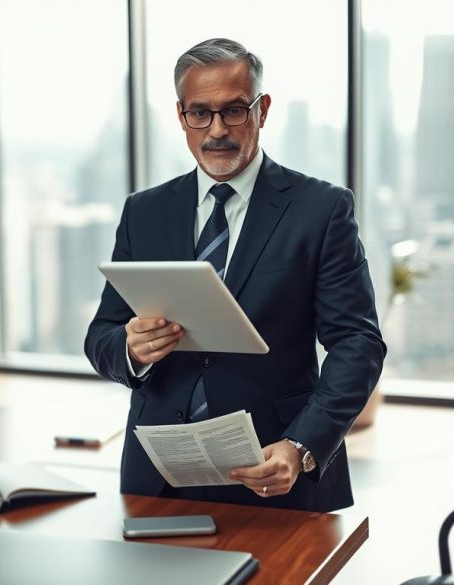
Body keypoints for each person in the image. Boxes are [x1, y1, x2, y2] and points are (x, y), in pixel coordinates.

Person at [84, 38, 386, 512]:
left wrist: (301, 447)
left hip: (275, 469)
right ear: (181, 115)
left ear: (262, 111)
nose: (217, 130)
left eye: (235, 111)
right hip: (158, 475)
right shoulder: (144, 212)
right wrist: (130, 348)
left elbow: (357, 344)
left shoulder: (321, 210)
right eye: (200, 113)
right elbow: (101, 335)